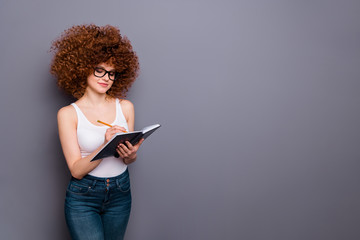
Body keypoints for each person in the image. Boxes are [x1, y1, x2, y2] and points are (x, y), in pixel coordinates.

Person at [50, 24, 143, 240]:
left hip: (121, 192)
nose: (106, 77)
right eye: (99, 70)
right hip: (84, 197)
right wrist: (105, 144)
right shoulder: (68, 114)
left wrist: (131, 155)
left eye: (111, 73)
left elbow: (126, 160)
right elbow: (76, 170)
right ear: (82, 68)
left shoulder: (125, 108)